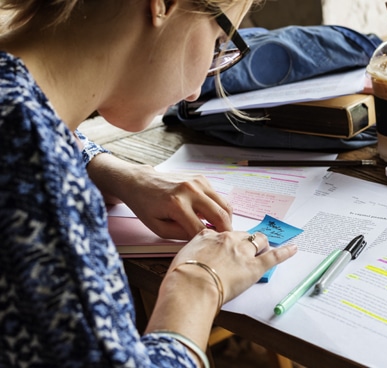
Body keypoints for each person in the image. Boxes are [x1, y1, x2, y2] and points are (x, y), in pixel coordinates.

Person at [0, 0, 297, 366]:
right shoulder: (30, 156)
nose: (194, 92)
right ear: (163, 5)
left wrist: (107, 168)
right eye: (218, 41)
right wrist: (199, 284)